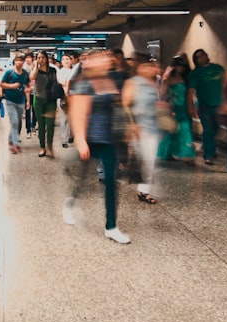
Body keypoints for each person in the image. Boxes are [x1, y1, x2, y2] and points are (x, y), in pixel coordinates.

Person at [64, 51, 131, 244]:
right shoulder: (84, 84)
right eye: (101, 58)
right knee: (82, 180)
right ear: (90, 63)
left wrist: (128, 126)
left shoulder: (110, 82)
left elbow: (119, 107)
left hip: (108, 140)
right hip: (90, 140)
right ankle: (70, 203)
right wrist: (80, 139)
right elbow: (77, 113)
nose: (106, 61)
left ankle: (111, 226)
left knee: (111, 183)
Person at [123, 54, 162, 204]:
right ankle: (144, 190)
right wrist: (132, 124)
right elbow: (125, 105)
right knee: (146, 160)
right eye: (147, 66)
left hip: (153, 126)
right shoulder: (132, 83)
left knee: (149, 160)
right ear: (139, 68)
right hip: (139, 127)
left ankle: (143, 189)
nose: (151, 69)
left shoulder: (153, 83)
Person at [187, 49, 225, 166]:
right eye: (198, 57)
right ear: (196, 60)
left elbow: (226, 83)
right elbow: (191, 91)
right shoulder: (195, 73)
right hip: (204, 106)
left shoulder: (218, 68)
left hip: (219, 105)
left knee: (216, 128)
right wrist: (191, 107)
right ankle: (208, 155)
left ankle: (208, 146)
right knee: (208, 130)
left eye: (203, 55)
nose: (202, 57)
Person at [158, 62, 195, 163]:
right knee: (171, 132)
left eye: (182, 65)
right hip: (173, 108)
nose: (180, 67)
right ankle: (167, 153)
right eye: (178, 64)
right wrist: (164, 78)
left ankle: (187, 155)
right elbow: (162, 94)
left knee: (185, 130)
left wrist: (191, 108)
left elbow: (189, 96)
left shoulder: (186, 79)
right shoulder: (168, 79)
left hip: (183, 108)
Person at [30, 51, 59, 157]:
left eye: (42, 57)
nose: (40, 59)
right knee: (41, 125)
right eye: (38, 57)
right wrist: (35, 67)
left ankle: (50, 146)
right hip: (38, 100)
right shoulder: (36, 70)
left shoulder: (53, 70)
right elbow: (32, 77)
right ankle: (42, 147)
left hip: (50, 100)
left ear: (46, 58)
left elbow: (55, 83)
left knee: (50, 124)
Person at [1, 55, 30, 154]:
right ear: (14, 62)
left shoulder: (25, 73)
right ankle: (15, 144)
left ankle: (10, 140)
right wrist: (12, 86)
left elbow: (27, 86)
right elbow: (2, 84)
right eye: (17, 60)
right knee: (14, 122)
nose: (19, 62)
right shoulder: (9, 72)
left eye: (21, 60)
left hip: (21, 100)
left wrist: (28, 100)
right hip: (10, 100)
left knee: (17, 122)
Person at [57, 53, 77, 148]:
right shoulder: (60, 72)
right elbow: (62, 84)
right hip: (63, 97)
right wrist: (66, 94)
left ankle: (70, 136)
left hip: (73, 97)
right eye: (64, 59)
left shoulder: (74, 71)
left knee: (71, 118)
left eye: (68, 59)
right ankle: (64, 139)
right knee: (64, 119)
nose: (66, 61)